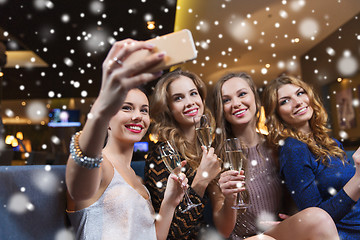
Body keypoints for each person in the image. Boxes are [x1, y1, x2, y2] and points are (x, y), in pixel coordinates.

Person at [65, 39, 188, 240]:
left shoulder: (138, 180)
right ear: (107, 118)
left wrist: (170, 202)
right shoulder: (101, 166)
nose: (138, 116)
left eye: (144, 110)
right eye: (126, 107)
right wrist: (102, 107)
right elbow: (79, 185)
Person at [213, 72, 340, 240]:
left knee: (318, 219)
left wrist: (293, 220)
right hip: (245, 238)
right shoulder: (216, 157)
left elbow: (297, 199)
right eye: (226, 100)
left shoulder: (278, 146)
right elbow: (223, 230)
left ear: (256, 100)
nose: (236, 103)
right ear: (220, 108)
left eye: (242, 94)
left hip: (279, 234)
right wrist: (229, 199)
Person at [145, 69, 249, 239]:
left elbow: (224, 227)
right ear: (168, 108)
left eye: (193, 94)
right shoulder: (162, 156)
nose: (190, 103)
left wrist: (230, 198)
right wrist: (201, 181)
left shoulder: (212, 147)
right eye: (178, 98)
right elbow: (171, 235)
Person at [262, 75, 360, 240]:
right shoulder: (293, 149)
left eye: (300, 93)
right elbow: (317, 218)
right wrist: (358, 180)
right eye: (285, 101)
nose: (298, 102)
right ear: (277, 114)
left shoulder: (332, 143)